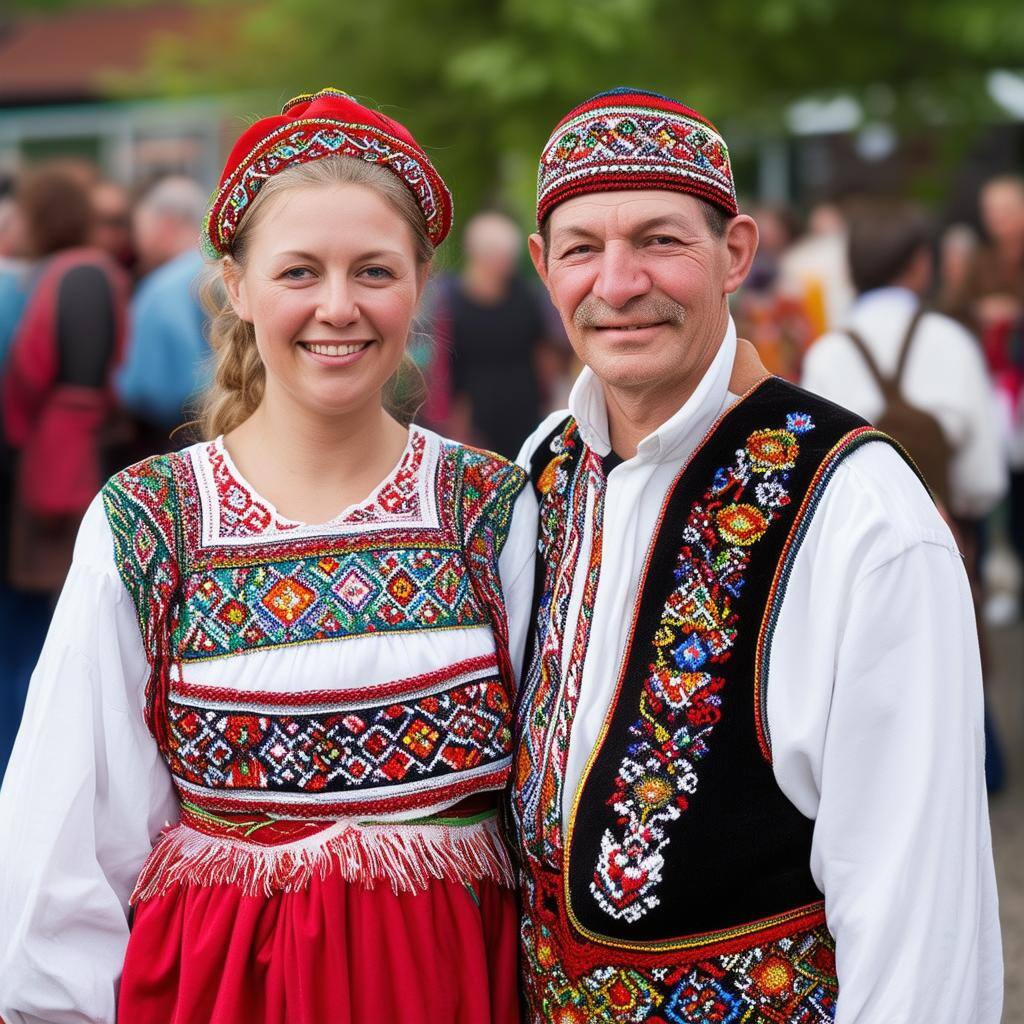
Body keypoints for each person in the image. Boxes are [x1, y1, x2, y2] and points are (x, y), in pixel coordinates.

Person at [0, 88, 531, 1024]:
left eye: (373, 270)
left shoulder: (490, 507)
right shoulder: (152, 521)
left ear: (418, 285)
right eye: (298, 272)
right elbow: (70, 835)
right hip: (225, 989)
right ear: (238, 287)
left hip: (450, 985)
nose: (338, 307)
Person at [504, 87, 1001, 1023]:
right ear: (543, 267)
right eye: (582, 249)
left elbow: (918, 910)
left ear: (735, 253)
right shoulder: (545, 466)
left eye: (659, 240)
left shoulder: (858, 509)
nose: (616, 284)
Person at [0, 162, 129, 779]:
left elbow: (29, 370)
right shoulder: (99, 271)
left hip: (53, 466)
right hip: (83, 457)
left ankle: (27, 772)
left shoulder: (66, 275)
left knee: (39, 634)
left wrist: (22, 427)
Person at [429, 210, 564, 458]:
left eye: (508, 256)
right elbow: (446, 366)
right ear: (479, 255)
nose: (506, 263)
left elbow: (543, 351)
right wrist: (454, 423)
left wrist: (551, 398)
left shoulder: (526, 296)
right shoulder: (452, 303)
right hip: (475, 419)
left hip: (526, 410)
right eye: (499, 256)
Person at [115, 176, 209, 451]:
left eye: (139, 229)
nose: (137, 241)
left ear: (167, 223)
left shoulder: (163, 287)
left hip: (177, 433)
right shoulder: (228, 272)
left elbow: (146, 388)